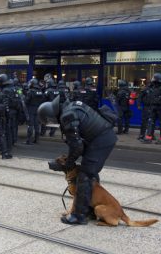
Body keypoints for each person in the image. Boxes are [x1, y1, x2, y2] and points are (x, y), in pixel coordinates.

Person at [38, 96, 117, 225]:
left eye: (49, 120)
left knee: (84, 176)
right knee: (90, 173)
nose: (52, 122)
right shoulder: (70, 107)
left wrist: (69, 162)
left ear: (51, 115)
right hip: (101, 138)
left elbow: (77, 146)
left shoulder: (66, 116)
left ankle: (79, 215)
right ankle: (89, 209)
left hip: (101, 141)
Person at [144, 72, 161, 144]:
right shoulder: (152, 87)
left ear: (157, 79)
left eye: (153, 77)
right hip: (153, 108)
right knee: (150, 122)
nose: (152, 79)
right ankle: (149, 138)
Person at [24, 78, 45, 145]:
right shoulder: (40, 91)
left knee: (30, 125)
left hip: (31, 109)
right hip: (38, 109)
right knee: (37, 125)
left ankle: (29, 140)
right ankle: (36, 139)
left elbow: (26, 101)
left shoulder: (30, 91)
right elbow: (43, 100)